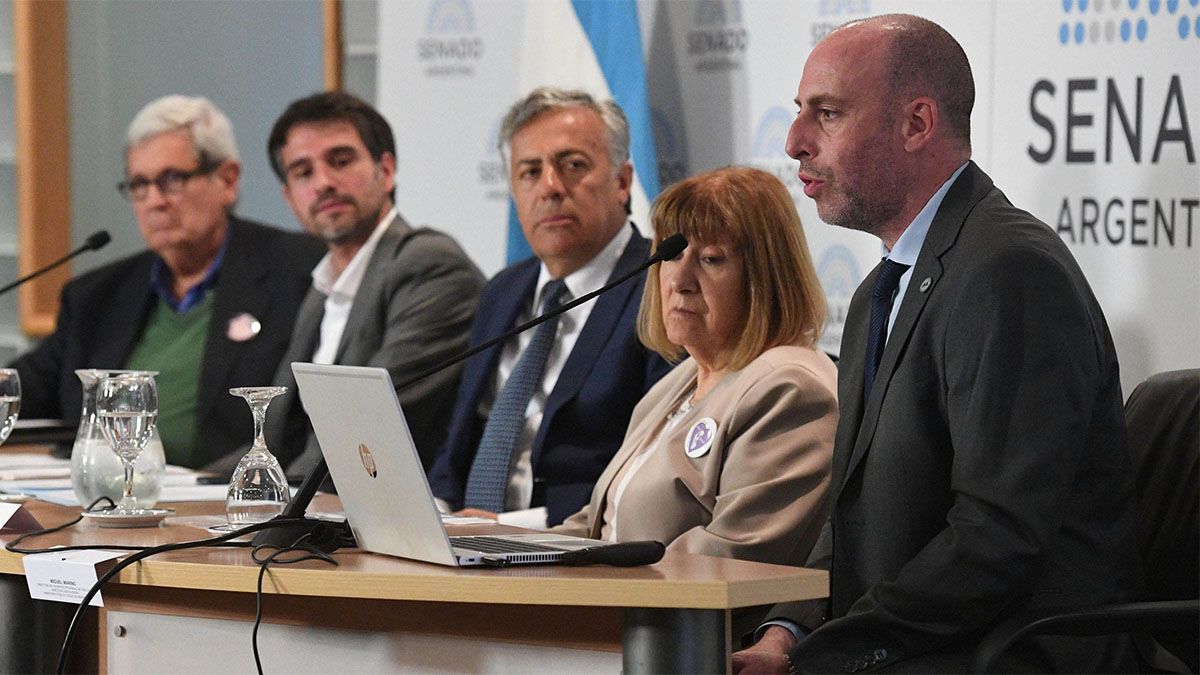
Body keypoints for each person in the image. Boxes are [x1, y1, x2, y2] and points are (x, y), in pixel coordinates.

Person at [733, 14, 1140, 674]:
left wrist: (828, 656)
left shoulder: (1009, 272)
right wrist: (788, 631)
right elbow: (854, 516)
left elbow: (998, 537)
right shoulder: (877, 294)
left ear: (916, 124)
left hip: (1011, 655)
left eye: (827, 113)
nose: (795, 141)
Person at [551, 166, 836, 590]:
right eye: (671, 255)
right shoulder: (678, 382)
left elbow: (733, 558)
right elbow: (600, 528)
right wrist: (496, 548)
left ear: (765, 278)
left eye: (710, 259)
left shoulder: (791, 390)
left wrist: (585, 584)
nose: (680, 281)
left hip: (687, 641)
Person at [9, 95, 325, 470]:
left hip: (229, 509)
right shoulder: (98, 295)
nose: (154, 201)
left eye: (172, 179)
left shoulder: (300, 271)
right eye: (139, 185)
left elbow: (304, 427)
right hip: (103, 505)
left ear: (227, 179)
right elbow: (21, 391)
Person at [426, 87, 674, 528]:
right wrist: (438, 513)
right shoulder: (503, 291)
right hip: (464, 546)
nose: (551, 187)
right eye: (529, 172)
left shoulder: (663, 286)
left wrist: (512, 528)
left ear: (622, 182)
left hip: (574, 550)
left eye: (573, 165)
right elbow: (458, 444)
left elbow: (655, 467)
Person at [259, 91, 484, 475]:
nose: (324, 182)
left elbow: (367, 429)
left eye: (341, 161)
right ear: (289, 198)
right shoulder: (322, 287)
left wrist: (270, 505)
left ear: (387, 169)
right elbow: (277, 439)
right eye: (303, 172)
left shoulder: (430, 266)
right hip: (316, 510)